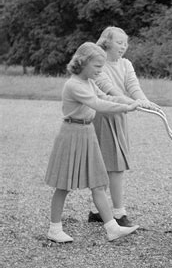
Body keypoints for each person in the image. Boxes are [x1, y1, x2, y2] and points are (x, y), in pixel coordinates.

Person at [45, 42, 141, 243]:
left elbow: (104, 96)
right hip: (72, 134)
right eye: (97, 66)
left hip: (87, 132)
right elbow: (98, 104)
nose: (100, 71)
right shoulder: (74, 85)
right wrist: (127, 108)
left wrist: (130, 102)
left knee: (98, 183)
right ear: (83, 62)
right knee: (63, 185)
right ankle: (54, 229)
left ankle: (112, 228)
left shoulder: (89, 82)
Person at [88, 26, 160, 227]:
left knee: (111, 164)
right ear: (106, 42)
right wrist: (131, 104)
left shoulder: (126, 64)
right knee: (113, 166)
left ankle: (97, 211)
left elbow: (133, 86)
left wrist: (145, 101)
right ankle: (118, 213)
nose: (123, 46)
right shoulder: (98, 65)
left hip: (120, 114)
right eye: (119, 42)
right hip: (103, 116)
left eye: (126, 43)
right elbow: (108, 90)